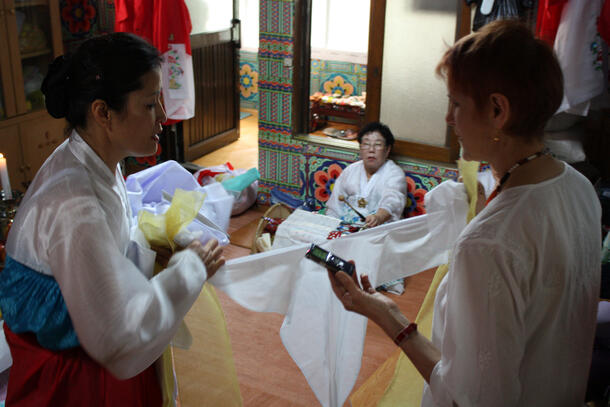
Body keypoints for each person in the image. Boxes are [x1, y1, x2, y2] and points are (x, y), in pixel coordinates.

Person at [328, 20, 601, 406]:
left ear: (497, 110)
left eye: (456, 103)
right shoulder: (578, 188)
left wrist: (391, 320)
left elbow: (470, 399)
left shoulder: (487, 244)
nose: (448, 118)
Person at [0, 32, 225, 406]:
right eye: (150, 105)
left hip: (87, 358)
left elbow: (112, 237)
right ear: (103, 112)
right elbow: (117, 335)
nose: (164, 118)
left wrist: (162, 242)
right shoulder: (73, 200)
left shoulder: (93, 160)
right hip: (71, 379)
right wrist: (190, 271)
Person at [326, 121, 407, 228]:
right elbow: (334, 206)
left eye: (378, 145)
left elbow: (392, 202)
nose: (371, 150)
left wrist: (378, 217)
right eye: (366, 144)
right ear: (360, 148)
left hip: (379, 231)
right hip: (347, 229)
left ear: (387, 150)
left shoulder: (395, 174)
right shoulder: (351, 170)